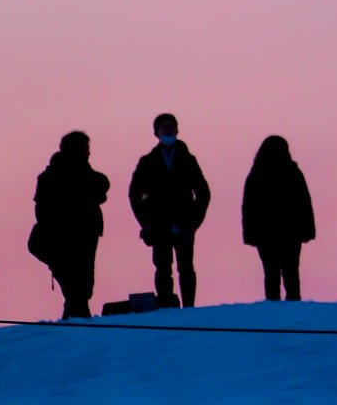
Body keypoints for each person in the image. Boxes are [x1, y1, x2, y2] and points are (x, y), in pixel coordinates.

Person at [128, 112, 210, 308]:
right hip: (158, 225)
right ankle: (166, 305)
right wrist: (146, 223)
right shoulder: (147, 161)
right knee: (163, 269)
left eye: (170, 127)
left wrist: (194, 223)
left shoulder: (188, 160)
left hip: (184, 224)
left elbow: (203, 192)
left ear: (177, 130)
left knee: (186, 268)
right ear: (156, 133)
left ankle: (189, 307)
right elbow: (134, 194)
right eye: (164, 127)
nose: (168, 131)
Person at [29, 131, 110, 319]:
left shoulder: (81, 172)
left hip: (86, 232)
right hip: (65, 236)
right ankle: (78, 318)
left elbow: (102, 185)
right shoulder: (54, 175)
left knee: (81, 282)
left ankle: (75, 317)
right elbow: (42, 209)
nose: (89, 153)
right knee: (77, 282)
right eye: (86, 149)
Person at [241, 135, 316, 301]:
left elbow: (248, 208)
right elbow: (305, 203)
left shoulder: (257, 174)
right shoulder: (292, 173)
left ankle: (275, 308)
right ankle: (290, 306)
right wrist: (307, 230)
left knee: (272, 273)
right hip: (287, 233)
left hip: (270, 234)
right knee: (289, 272)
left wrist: (250, 233)